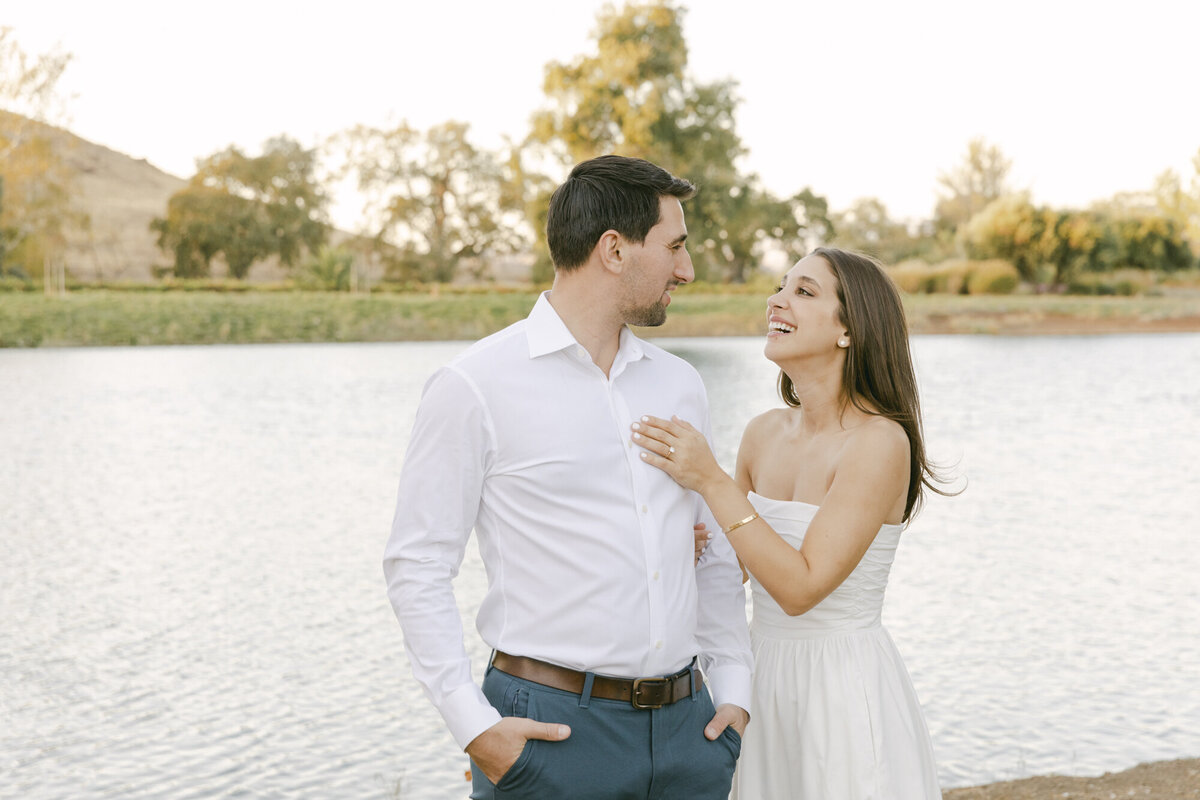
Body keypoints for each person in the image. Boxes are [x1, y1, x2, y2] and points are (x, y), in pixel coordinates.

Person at [383, 154, 753, 799]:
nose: (686, 270)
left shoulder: (679, 384)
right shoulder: (473, 386)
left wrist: (736, 691)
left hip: (690, 732)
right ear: (614, 249)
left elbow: (711, 547)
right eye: (675, 247)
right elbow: (418, 563)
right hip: (551, 737)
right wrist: (474, 728)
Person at [632, 247, 946, 799]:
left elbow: (801, 588)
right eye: (781, 286)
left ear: (850, 329)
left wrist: (710, 481)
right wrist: (691, 544)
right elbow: (741, 569)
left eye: (804, 291)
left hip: (842, 685)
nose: (776, 299)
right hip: (759, 677)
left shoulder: (879, 443)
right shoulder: (762, 433)